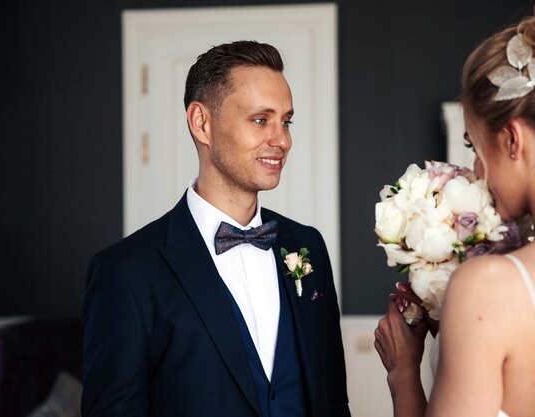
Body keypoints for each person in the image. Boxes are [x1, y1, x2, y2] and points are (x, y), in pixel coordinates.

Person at [81, 40, 351, 417]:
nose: (283, 140)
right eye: (261, 120)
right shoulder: (126, 272)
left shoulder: (307, 246)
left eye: (286, 122)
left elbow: (332, 399)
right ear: (201, 122)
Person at [373, 0, 535, 416]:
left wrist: (403, 375)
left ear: (512, 140)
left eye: (473, 145)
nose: (473, 168)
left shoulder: (489, 287)